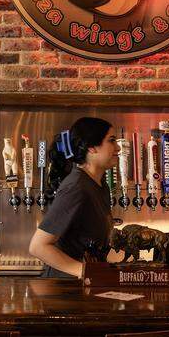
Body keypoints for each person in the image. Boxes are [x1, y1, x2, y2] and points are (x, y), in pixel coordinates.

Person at [29, 118, 121, 278]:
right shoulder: (76, 187)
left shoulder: (100, 185)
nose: (118, 147)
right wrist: (85, 272)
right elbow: (38, 247)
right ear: (91, 147)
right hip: (63, 291)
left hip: (83, 289)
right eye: (111, 141)